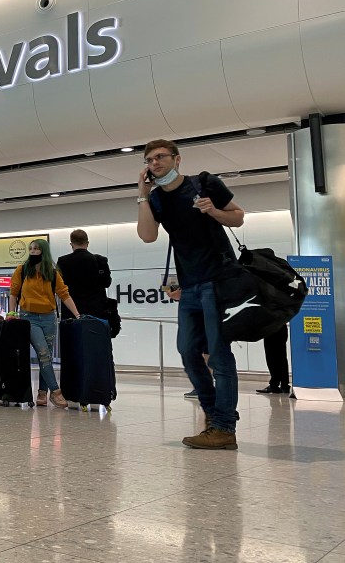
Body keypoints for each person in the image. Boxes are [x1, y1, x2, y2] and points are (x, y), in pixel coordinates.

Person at [137, 138, 244, 450]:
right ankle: (213, 416)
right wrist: (142, 196)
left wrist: (213, 211)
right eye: (149, 160)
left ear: (177, 159)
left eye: (160, 157)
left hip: (218, 281)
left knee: (220, 356)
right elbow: (147, 235)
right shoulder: (156, 199)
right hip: (190, 287)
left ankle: (224, 427)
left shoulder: (205, 183)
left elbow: (238, 216)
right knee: (187, 350)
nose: (155, 163)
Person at [9, 239, 80, 409]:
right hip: (29, 317)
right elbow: (13, 294)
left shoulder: (53, 273)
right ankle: (55, 392)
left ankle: (42, 393)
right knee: (44, 353)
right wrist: (11, 313)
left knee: (45, 355)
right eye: (31, 249)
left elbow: (64, 295)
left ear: (44, 251)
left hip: (49, 318)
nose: (33, 251)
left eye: (37, 249)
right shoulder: (22, 270)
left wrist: (77, 314)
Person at [56, 229, 111, 319]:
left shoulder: (63, 261)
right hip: (96, 310)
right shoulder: (100, 260)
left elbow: (59, 286)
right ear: (87, 243)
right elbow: (107, 283)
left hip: (71, 311)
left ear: (71, 244)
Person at [257, 323, 291, 394]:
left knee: (271, 357)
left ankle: (274, 385)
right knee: (282, 357)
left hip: (270, 328)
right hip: (281, 327)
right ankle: (284, 385)